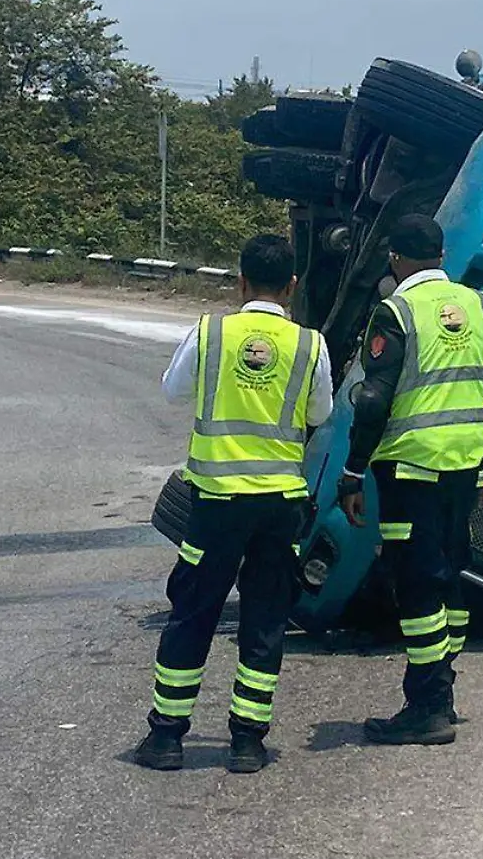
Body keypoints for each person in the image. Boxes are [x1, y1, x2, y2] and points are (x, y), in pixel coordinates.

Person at [136, 233, 332, 775]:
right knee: (266, 616)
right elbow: (321, 411)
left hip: (218, 502)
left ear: (240, 281)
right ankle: (247, 742)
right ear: (291, 287)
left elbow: (173, 392)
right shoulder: (310, 345)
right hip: (279, 505)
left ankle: (167, 739)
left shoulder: (211, 332)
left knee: (194, 610)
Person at [336, 213, 483, 746]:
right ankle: (444, 685)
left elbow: (373, 399)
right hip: (465, 464)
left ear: (396, 258)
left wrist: (350, 472)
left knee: (415, 583)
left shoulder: (395, 312)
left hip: (411, 469)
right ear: (441, 254)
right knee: (449, 574)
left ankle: (429, 705)